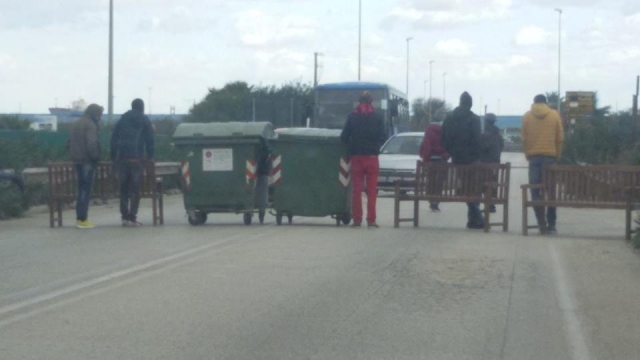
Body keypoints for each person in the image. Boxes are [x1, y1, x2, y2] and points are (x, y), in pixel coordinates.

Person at [340, 91, 387, 228]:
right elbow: (383, 136)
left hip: (357, 157)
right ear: (371, 102)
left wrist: (352, 146)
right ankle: (371, 220)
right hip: (372, 157)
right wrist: (375, 146)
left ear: (359, 102)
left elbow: (344, 137)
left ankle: (357, 219)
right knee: (372, 191)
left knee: (357, 190)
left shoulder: (352, 117)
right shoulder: (377, 117)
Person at [521, 94, 564, 234]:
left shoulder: (527, 116)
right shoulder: (554, 115)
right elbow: (560, 138)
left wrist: (528, 154)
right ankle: (552, 224)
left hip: (534, 158)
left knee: (535, 191)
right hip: (550, 157)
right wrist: (557, 155)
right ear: (546, 103)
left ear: (534, 103)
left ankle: (541, 224)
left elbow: (524, 139)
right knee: (551, 191)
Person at [441, 91, 484, 229]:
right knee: (474, 189)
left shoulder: (449, 118)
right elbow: (477, 140)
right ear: (470, 104)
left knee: (467, 188)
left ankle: (474, 219)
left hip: (457, 159)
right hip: (472, 160)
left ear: (460, 102)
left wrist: (453, 151)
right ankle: (477, 219)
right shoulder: (474, 119)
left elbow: (443, 139)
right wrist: (476, 155)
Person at [110, 99, 155, 227]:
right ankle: (132, 217)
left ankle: (124, 217)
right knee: (136, 190)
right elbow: (150, 140)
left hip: (122, 159)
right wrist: (150, 156)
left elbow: (114, 139)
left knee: (123, 188)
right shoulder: (144, 119)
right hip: (136, 158)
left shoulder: (122, 119)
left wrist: (114, 157)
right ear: (142, 107)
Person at [69, 103, 104, 229]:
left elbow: (69, 142)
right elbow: (91, 143)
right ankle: (82, 219)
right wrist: (96, 157)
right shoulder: (90, 125)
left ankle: (80, 218)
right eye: (100, 115)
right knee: (86, 190)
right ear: (96, 114)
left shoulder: (76, 123)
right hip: (87, 161)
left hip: (76, 160)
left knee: (80, 189)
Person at [419, 108, 450, 212]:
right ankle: (437, 200)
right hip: (442, 161)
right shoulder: (446, 129)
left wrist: (425, 158)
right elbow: (449, 146)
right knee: (439, 182)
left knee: (431, 181)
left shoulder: (429, 129)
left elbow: (426, 145)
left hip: (431, 160)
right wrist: (446, 155)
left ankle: (431, 199)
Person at [479, 113, 504, 213]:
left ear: (486, 122)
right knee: (492, 183)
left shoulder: (485, 135)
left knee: (484, 183)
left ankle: (488, 204)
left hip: (485, 164)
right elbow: (501, 147)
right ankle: (491, 204)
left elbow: (481, 148)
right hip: (495, 163)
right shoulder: (498, 135)